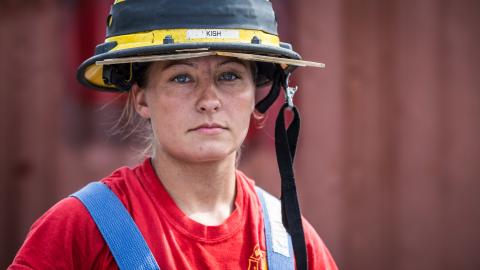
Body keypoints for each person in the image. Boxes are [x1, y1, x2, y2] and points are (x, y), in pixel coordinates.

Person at [9, 0, 337, 269]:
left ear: (258, 96)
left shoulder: (291, 243)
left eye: (230, 75)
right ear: (141, 97)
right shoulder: (80, 230)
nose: (209, 100)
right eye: (182, 77)